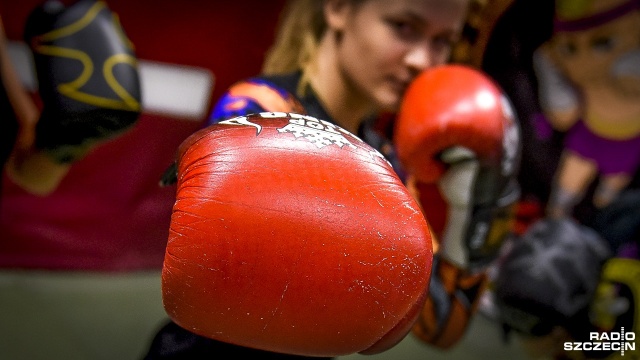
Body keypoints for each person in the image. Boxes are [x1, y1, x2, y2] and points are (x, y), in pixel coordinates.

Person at [145, 0, 528, 359]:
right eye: (404, 27)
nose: (421, 61)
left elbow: (436, 325)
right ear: (339, 8)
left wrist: (479, 208)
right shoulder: (258, 111)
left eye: (442, 42)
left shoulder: (384, 160)